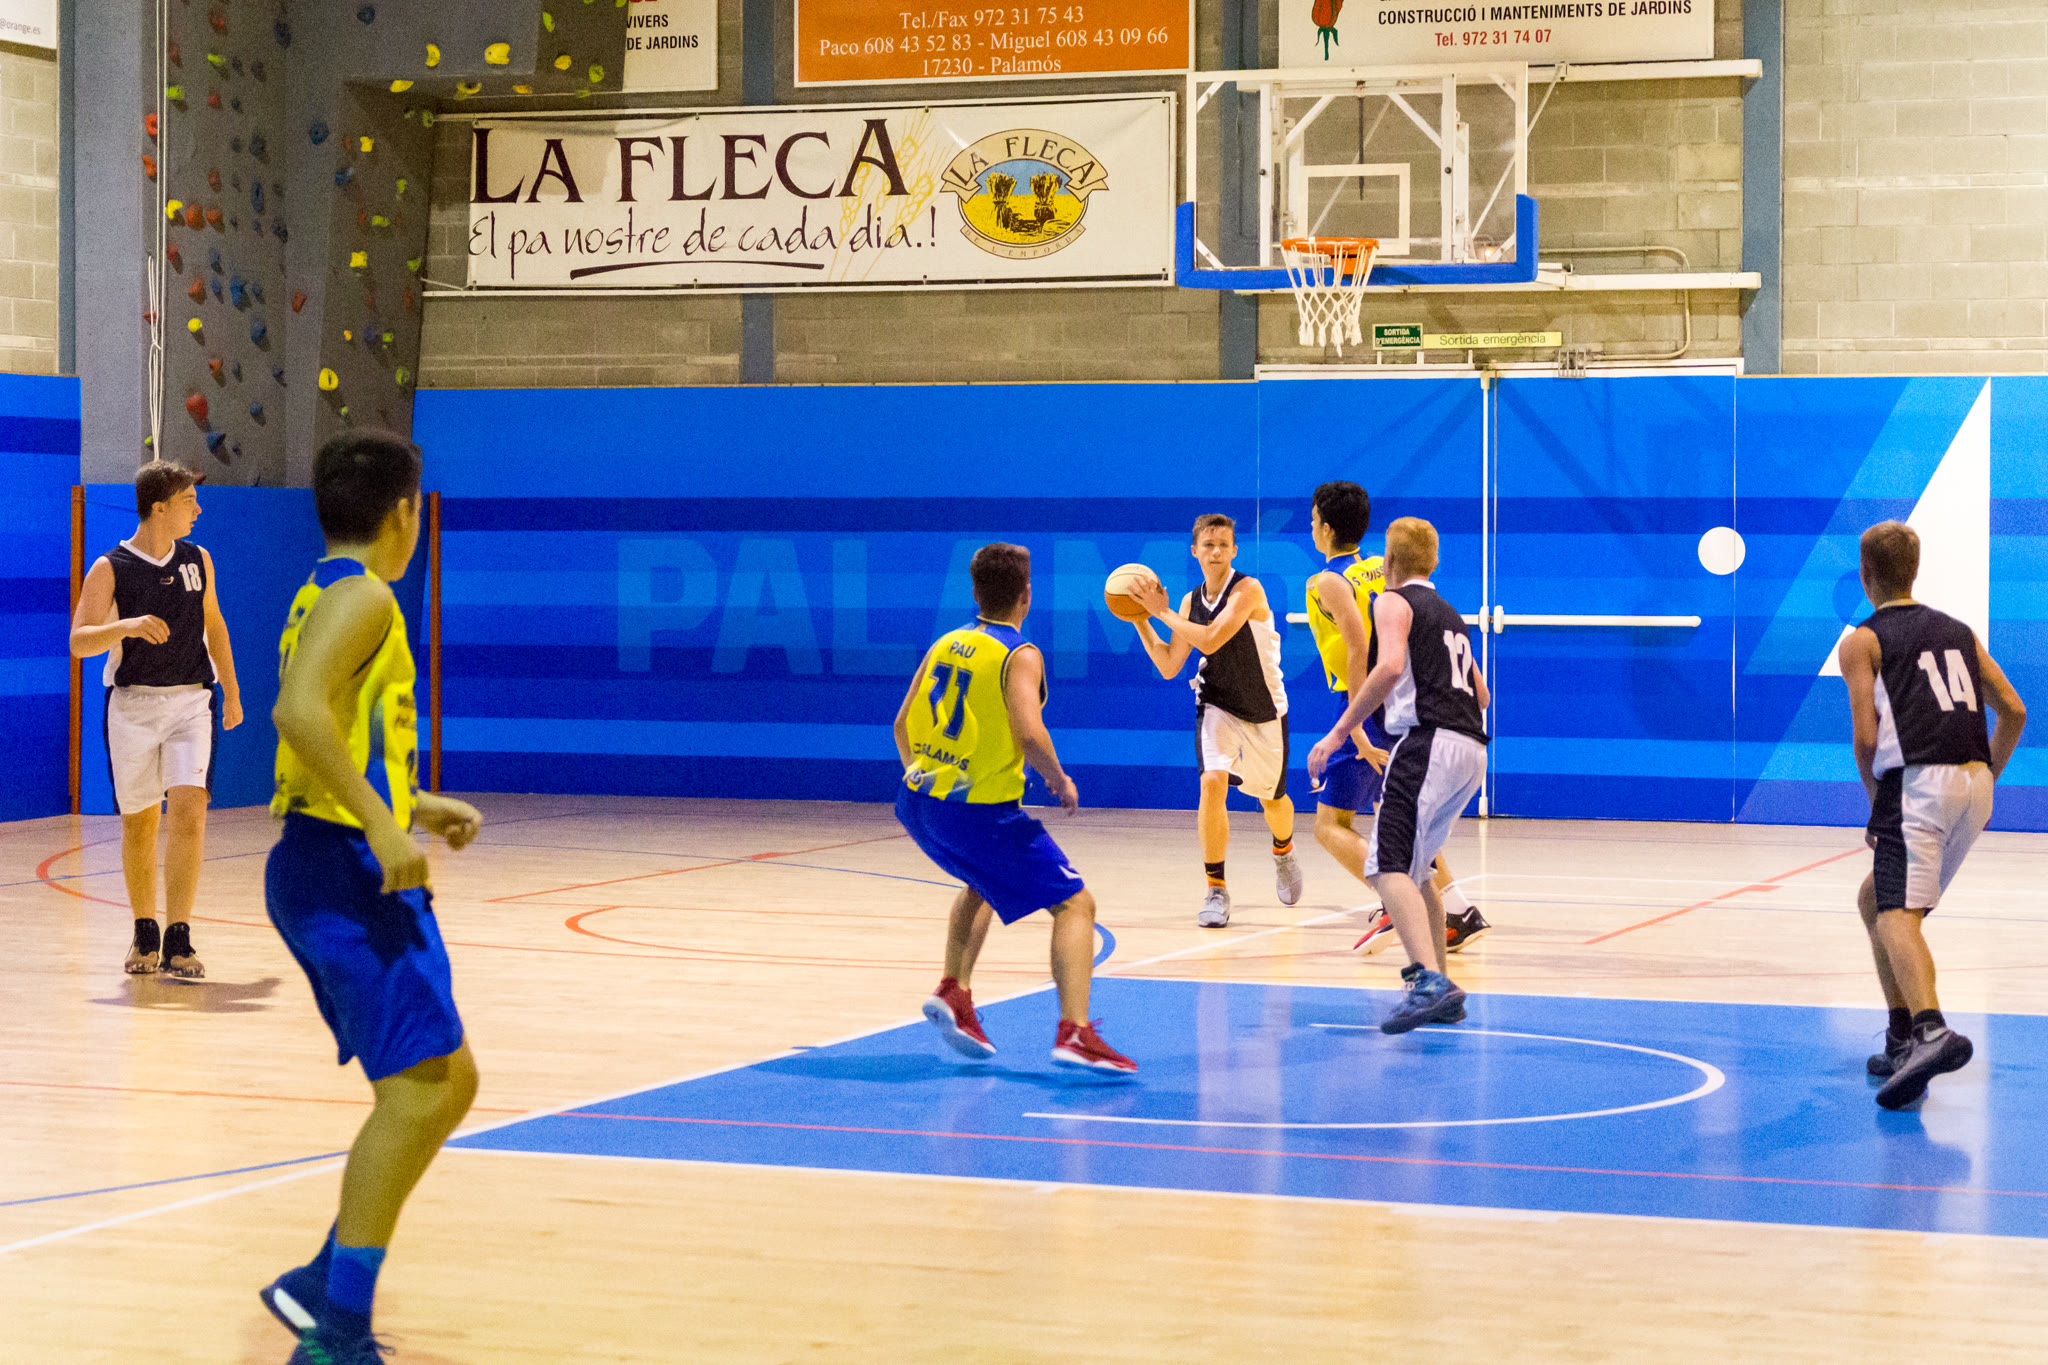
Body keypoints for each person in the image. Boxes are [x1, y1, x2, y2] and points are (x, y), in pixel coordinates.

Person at [257, 432, 485, 1364]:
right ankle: (337, 1329)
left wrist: (414, 805)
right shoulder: (367, 597)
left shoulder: (323, 591)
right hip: (343, 869)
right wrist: (385, 829)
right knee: (421, 1091)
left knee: (447, 1081)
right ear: (404, 512)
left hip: (329, 855)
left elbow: (330, 735)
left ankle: (321, 1284)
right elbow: (297, 713)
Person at [896, 542, 1135, 1074]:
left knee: (982, 881)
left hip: (917, 803)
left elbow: (902, 723)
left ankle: (954, 990)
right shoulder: (1018, 653)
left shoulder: (946, 641)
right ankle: (1075, 1032)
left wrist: (923, 773)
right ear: (1026, 595)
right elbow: (1029, 732)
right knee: (1076, 905)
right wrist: (1059, 780)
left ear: (975, 591)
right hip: (979, 814)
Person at [1838, 520, 2025, 1110]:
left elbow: (1866, 740)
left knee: (1896, 916)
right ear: (1914, 571)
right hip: (1974, 785)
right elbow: (2014, 711)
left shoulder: (1862, 641)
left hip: (1917, 784)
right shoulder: (1959, 631)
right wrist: (1984, 779)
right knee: (1877, 899)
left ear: (1866, 575)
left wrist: (1878, 805)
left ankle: (1930, 1031)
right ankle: (1901, 1038)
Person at [1309, 517, 1489, 1034]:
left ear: (1388, 561)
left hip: (1428, 742)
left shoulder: (1392, 602)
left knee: (1386, 865)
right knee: (1419, 870)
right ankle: (1444, 987)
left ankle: (1426, 981)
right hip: (1471, 748)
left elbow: (1387, 667)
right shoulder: (1450, 614)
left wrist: (1340, 732)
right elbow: (1481, 694)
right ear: (1434, 561)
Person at [69, 460, 243, 979]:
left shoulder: (198, 559)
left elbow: (215, 625)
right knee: (140, 824)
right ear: (160, 508)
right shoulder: (110, 567)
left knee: (190, 813)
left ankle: (179, 938)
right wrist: (125, 626)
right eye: (190, 501)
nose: (198, 510)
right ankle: (145, 932)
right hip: (133, 708)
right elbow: (80, 641)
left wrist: (231, 692)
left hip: (192, 703)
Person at [1126, 513, 1302, 928]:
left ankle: (1283, 850)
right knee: (1211, 782)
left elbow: (1210, 638)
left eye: (1224, 544)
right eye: (1208, 544)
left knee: (1273, 801)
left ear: (1234, 550)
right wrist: (1140, 620)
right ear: (1195, 551)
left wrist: (1160, 612)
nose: (1217, 551)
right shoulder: (1190, 603)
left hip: (1263, 708)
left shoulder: (1248, 590)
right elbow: (1170, 665)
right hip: (1216, 703)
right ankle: (1216, 889)